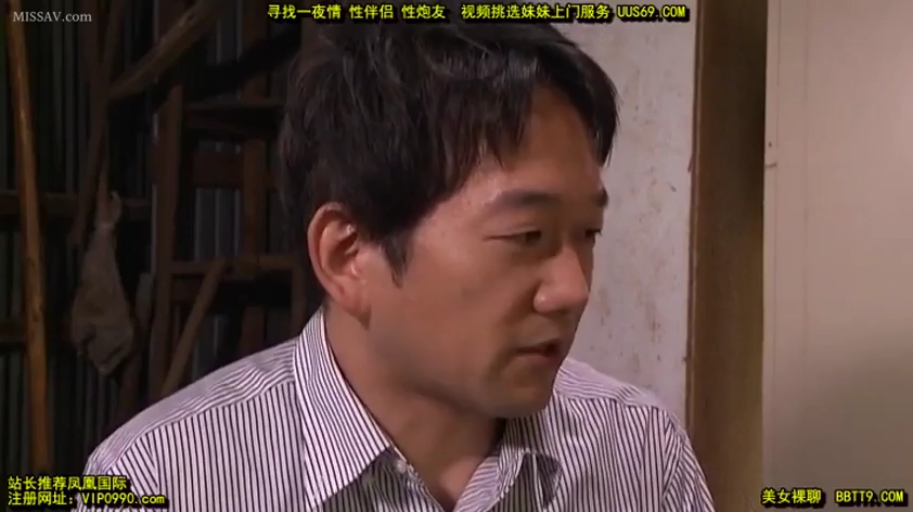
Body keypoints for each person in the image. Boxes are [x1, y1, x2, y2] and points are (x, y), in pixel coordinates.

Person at [80, 20, 714, 512]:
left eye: (588, 233)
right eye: (527, 235)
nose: (573, 289)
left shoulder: (638, 452)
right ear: (348, 255)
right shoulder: (159, 481)